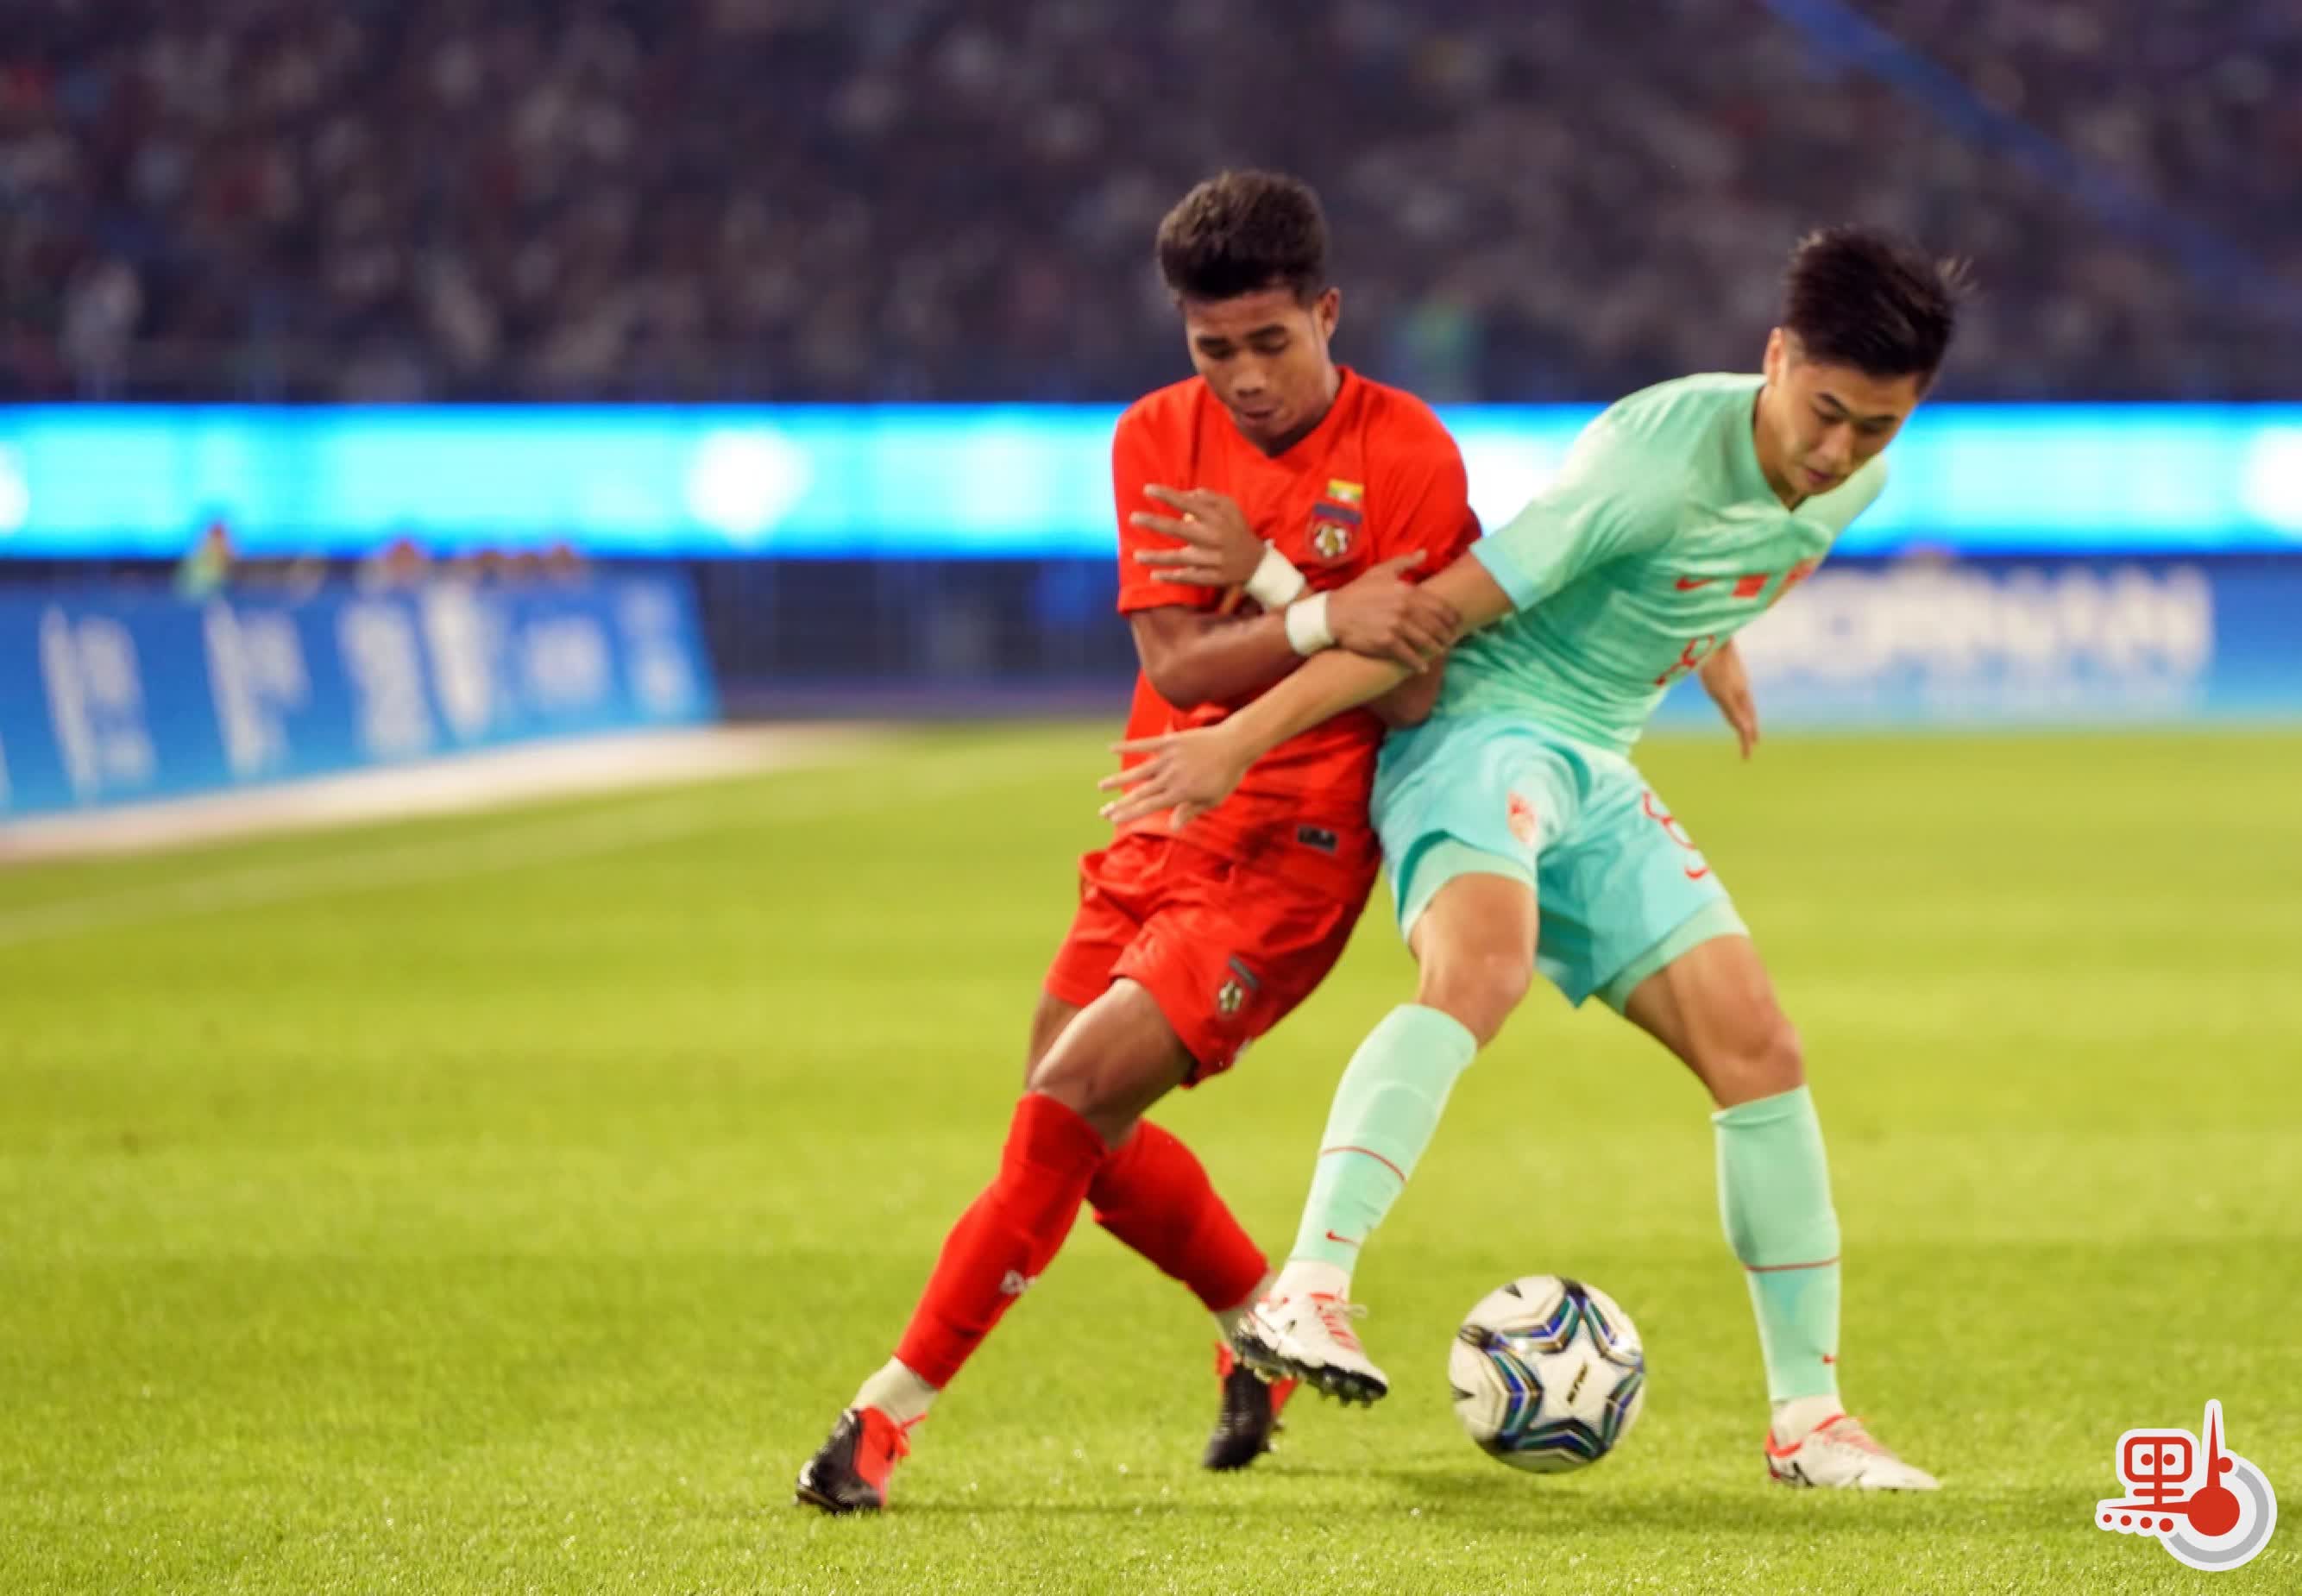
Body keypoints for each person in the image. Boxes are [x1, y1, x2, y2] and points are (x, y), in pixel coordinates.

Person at [1101, 226, 1969, 1491]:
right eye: (1824, 413)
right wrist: (1239, 736)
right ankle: (1310, 1288)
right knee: (1481, 973)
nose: (1838, 452)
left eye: (1876, 428)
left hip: (1592, 763)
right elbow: (1425, 628)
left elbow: (1736, 555)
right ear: (1776, 358)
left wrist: (1709, 644)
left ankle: (1809, 1422)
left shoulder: (1853, 484)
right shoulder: (1644, 468)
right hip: (1477, 730)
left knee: (1760, 1049)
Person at [796, 170, 1481, 1512]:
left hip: (1288, 855)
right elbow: (1177, 664)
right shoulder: (1157, 435)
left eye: (1270, 342)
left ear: (1329, 313)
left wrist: (1271, 579)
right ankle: (1260, 1329)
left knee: (1063, 1105)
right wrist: (1318, 607)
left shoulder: (1408, 453)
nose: (1245, 378)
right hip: (1157, 816)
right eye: (1213, 347)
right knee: (1083, 1143)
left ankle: (883, 1417)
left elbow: (1411, 689)